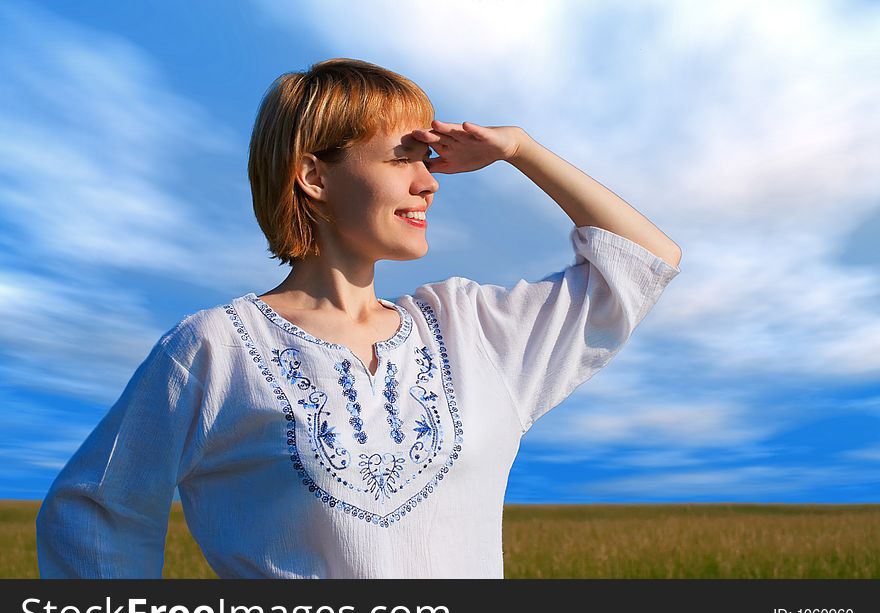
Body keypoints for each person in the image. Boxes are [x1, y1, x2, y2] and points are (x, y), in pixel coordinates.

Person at [36, 57, 682, 578]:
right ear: (315, 174)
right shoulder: (213, 348)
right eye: (403, 157)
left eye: (427, 160)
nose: (429, 182)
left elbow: (643, 260)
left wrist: (519, 148)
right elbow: (96, 511)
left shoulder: (470, 329)